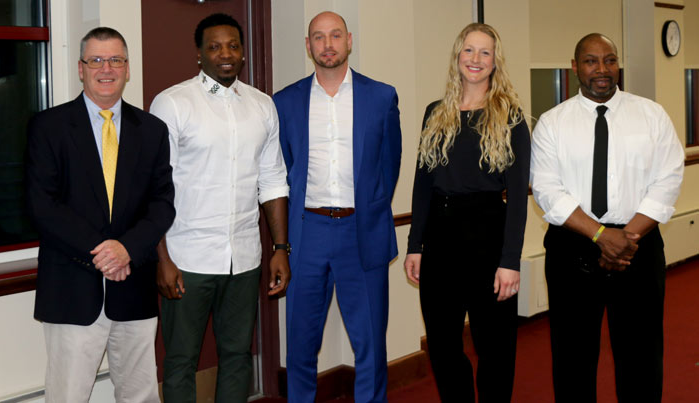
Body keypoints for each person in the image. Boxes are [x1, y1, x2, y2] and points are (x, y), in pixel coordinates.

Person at [531, 33, 684, 402]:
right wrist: (601, 235)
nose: (602, 69)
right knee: (572, 355)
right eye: (591, 61)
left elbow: (668, 178)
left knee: (641, 355)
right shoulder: (552, 124)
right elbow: (548, 190)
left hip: (638, 247)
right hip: (573, 248)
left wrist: (625, 238)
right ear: (575, 67)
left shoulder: (651, 115)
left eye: (610, 60)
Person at [25, 27, 175, 402]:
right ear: (81, 68)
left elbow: (162, 203)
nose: (105, 68)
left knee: (140, 393)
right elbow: (42, 205)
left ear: (127, 68)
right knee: (68, 395)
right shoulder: (49, 127)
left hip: (135, 289)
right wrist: (105, 252)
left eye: (115, 60)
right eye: (96, 60)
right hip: (72, 289)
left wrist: (128, 249)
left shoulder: (152, 130)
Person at [149, 13, 290, 403]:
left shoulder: (262, 106)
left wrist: (281, 249)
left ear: (243, 52)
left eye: (232, 45)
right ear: (199, 54)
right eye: (214, 46)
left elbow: (274, 179)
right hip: (187, 258)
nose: (224, 54)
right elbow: (155, 187)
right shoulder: (173, 103)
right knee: (180, 361)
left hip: (245, 258)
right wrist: (161, 257)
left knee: (238, 356)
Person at [273, 11, 402, 403]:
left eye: (334, 36)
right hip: (307, 232)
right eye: (317, 37)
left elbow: (388, 166)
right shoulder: (285, 101)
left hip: (361, 233)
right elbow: (282, 169)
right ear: (308, 45)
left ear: (349, 40)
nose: (327, 45)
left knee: (371, 347)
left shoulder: (381, 96)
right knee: (300, 344)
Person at [404, 23, 530, 402]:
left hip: (489, 238)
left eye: (485, 53)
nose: (476, 59)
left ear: (495, 62)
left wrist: (511, 261)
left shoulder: (510, 116)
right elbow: (422, 184)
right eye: (469, 51)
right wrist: (415, 245)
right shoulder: (435, 113)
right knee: (443, 347)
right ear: (458, 56)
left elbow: (520, 197)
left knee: (495, 348)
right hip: (440, 241)